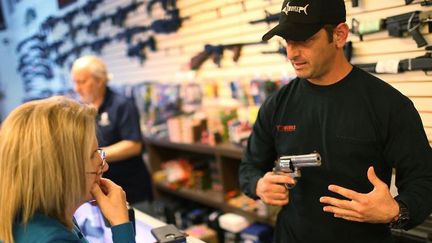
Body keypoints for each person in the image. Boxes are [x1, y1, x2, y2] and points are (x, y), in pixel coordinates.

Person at [239, 0, 432, 242]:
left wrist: (397, 210)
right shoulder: (277, 104)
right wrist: (258, 185)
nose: (291, 53)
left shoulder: (389, 105)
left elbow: (424, 181)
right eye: (287, 40)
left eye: (304, 39)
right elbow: (249, 167)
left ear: (339, 35)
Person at [0, 96, 135, 243]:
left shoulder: (41, 216)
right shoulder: (54, 239)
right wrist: (121, 224)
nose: (105, 166)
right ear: (61, 171)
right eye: (92, 155)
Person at [71, 55, 153, 205]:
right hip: (99, 191)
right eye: (74, 82)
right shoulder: (81, 109)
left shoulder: (122, 105)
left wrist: (93, 156)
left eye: (82, 82)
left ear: (99, 80)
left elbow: (134, 145)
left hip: (130, 188)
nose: (77, 88)